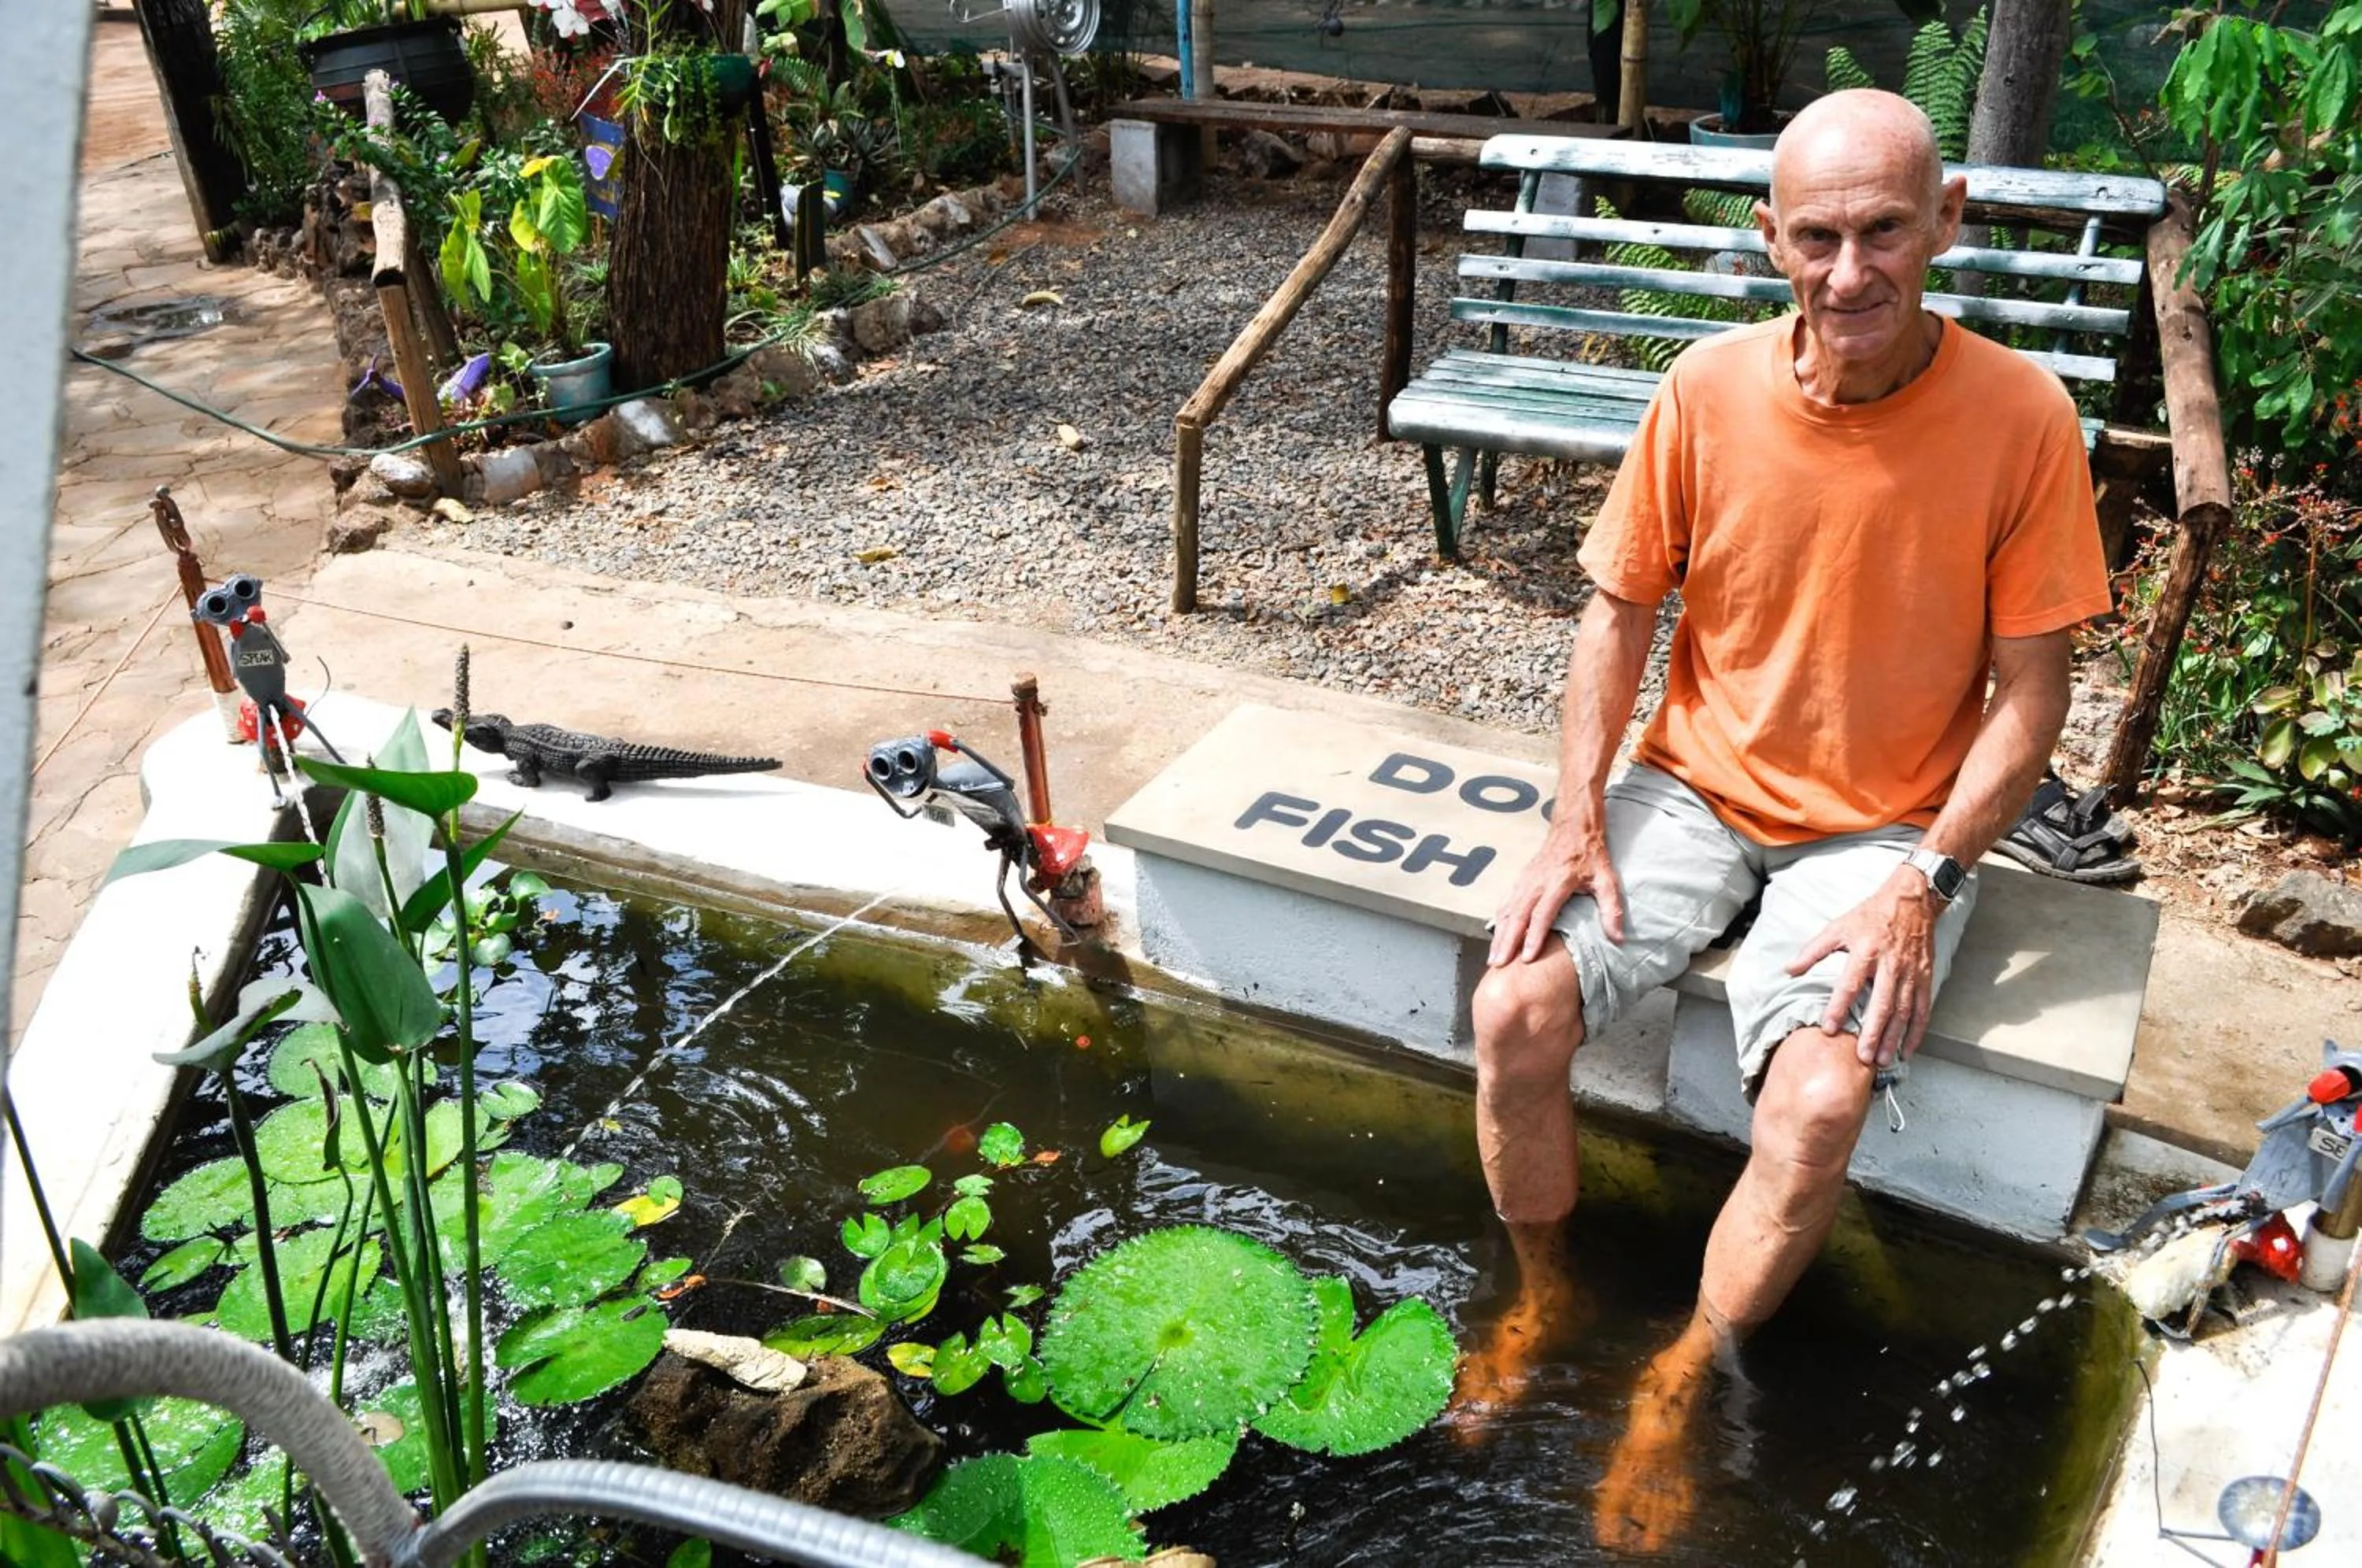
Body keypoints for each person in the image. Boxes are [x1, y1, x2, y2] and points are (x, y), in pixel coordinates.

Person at [1450, 89, 2114, 1551]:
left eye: (1886, 230)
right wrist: (1576, 816)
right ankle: (1541, 1296)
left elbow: (2030, 695)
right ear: (1770, 240)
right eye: (1817, 236)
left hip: (1886, 828)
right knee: (1513, 1013)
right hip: (1694, 782)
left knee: (1815, 1101)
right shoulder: (1704, 390)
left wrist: (1931, 877)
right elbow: (1616, 615)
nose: (1852, 270)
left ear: (1947, 222)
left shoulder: (2021, 418)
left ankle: (1685, 1371)